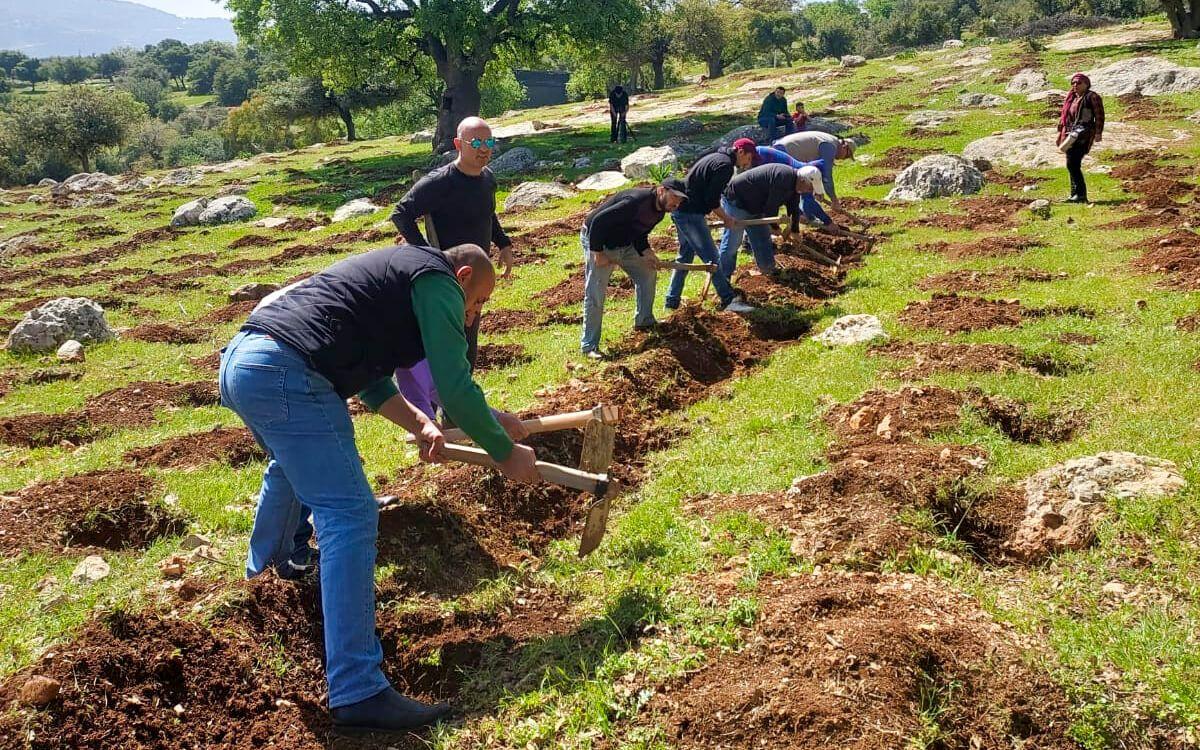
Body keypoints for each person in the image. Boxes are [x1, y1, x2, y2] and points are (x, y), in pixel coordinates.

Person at [220, 243, 539, 736]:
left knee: (291, 466)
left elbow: (368, 379)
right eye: (477, 303)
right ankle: (358, 689)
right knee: (349, 513)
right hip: (284, 370)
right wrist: (504, 453)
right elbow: (454, 388)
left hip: (245, 362)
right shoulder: (437, 282)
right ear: (464, 274)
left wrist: (418, 423)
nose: (474, 315)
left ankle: (265, 576)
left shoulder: (390, 279)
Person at [581, 177, 687, 357]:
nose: (677, 202)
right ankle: (589, 346)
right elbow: (599, 222)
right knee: (596, 292)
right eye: (674, 196)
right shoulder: (635, 201)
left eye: (680, 199)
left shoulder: (660, 212)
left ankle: (645, 320)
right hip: (599, 241)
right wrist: (598, 253)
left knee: (647, 273)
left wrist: (645, 251)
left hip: (625, 244)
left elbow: (639, 232)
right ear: (662, 190)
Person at [664, 142, 757, 313]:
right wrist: (726, 218)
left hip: (683, 210)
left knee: (685, 257)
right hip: (691, 213)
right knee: (712, 257)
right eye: (748, 158)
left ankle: (671, 301)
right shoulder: (725, 166)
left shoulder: (716, 157)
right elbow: (711, 200)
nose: (747, 164)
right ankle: (728, 299)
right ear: (741, 151)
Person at [717, 163, 818, 279]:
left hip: (756, 205)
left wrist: (795, 231)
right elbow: (771, 207)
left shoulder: (795, 186)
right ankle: (724, 277)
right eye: (810, 187)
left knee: (762, 238)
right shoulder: (783, 177)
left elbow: (794, 208)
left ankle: (768, 269)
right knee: (733, 241)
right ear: (803, 181)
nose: (809, 191)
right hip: (738, 201)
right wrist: (774, 227)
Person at [772, 131, 863, 226]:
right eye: (847, 156)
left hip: (785, 149)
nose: (844, 159)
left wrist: (817, 189)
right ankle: (803, 217)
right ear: (845, 147)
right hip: (783, 152)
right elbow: (827, 176)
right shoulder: (829, 146)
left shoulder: (830, 141)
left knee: (806, 186)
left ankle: (806, 217)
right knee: (801, 188)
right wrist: (834, 200)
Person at [1058, 72, 1105, 204]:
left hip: (1084, 135)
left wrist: (1098, 132)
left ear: (1086, 84)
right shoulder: (1072, 97)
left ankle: (1081, 194)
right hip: (1071, 134)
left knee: (1073, 163)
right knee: (1071, 163)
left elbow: (1099, 115)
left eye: (1079, 83)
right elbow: (1067, 116)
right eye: (1073, 83)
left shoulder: (1092, 97)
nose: (1075, 85)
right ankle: (1075, 194)